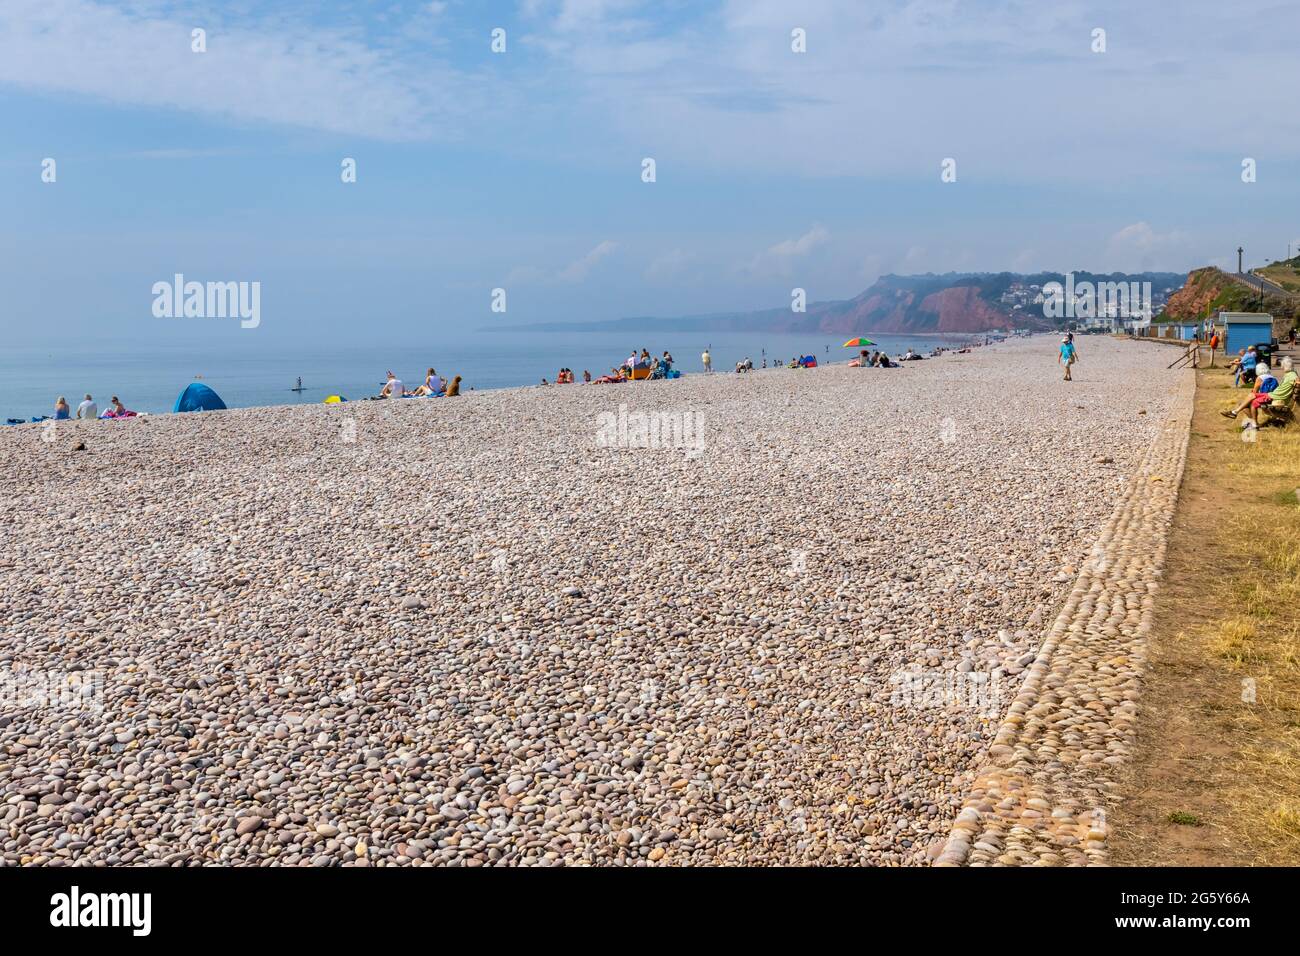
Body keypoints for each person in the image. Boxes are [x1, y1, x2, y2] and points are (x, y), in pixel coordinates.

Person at [1223, 360, 1289, 426]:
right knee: (1248, 402)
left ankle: (1253, 422)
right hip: (1273, 399)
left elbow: (1255, 392)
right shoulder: (1273, 377)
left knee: (1244, 404)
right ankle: (1248, 419)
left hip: (1265, 398)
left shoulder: (1260, 378)